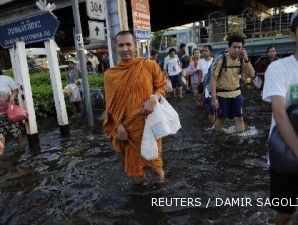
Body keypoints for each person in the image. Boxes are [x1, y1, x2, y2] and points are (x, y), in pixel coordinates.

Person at [103, 31, 166, 184]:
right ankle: (142, 207)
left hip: (150, 126)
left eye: (128, 44)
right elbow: (111, 106)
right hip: (127, 130)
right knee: (136, 176)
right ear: (116, 48)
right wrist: (118, 126)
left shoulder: (149, 65)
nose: (125, 49)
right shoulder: (110, 75)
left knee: (156, 170)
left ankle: (161, 200)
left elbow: (161, 88)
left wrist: (154, 98)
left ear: (135, 46)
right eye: (121, 45)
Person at [262, 10, 298, 225]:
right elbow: (279, 113)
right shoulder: (278, 68)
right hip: (284, 153)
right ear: (293, 34)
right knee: (285, 213)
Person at [211, 34, 255, 133]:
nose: (236, 50)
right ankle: (217, 139)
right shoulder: (220, 59)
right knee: (221, 119)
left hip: (237, 94)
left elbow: (252, 74)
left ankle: (239, 141)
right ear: (229, 47)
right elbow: (213, 79)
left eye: (239, 47)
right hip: (222, 94)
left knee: (239, 118)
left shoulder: (242, 59)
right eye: (234, 47)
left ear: (242, 49)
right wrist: (213, 99)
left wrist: (246, 59)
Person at [0, 69, 22, 155]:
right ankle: (18, 146)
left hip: (8, 110)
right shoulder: (7, 78)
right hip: (4, 111)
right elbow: (16, 89)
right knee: (10, 131)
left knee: (14, 131)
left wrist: (12, 98)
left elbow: (15, 90)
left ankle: (19, 146)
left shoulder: (6, 78)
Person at [199, 45, 215, 124]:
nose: (204, 52)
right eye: (203, 51)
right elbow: (200, 75)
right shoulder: (200, 61)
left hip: (215, 87)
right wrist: (199, 89)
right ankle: (211, 125)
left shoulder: (215, 61)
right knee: (209, 107)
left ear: (210, 52)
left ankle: (214, 125)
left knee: (215, 108)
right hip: (205, 87)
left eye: (206, 51)